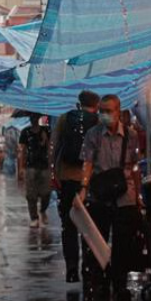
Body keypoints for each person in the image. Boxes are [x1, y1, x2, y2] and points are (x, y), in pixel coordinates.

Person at [80, 94, 144, 301]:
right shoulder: (93, 135)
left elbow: (135, 166)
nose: (105, 115)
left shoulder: (131, 136)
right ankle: (99, 283)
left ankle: (119, 285)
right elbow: (88, 162)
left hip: (125, 196)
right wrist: (84, 188)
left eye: (109, 111)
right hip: (100, 196)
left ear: (118, 112)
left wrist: (139, 195)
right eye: (102, 111)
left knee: (122, 244)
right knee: (98, 244)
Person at [52, 91, 101, 283]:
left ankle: (71, 268)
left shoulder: (66, 118)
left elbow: (55, 146)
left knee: (69, 225)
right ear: (96, 104)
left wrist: (54, 174)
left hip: (67, 179)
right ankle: (88, 267)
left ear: (79, 103)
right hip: (89, 181)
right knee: (89, 226)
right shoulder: (98, 120)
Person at [18, 115, 52, 228]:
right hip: (30, 166)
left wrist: (45, 140)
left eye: (34, 117)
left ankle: (43, 210)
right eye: (31, 117)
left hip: (44, 166)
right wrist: (21, 168)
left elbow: (49, 148)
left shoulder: (46, 130)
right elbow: (22, 150)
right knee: (31, 195)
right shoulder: (25, 132)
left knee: (46, 192)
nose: (33, 119)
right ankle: (34, 218)